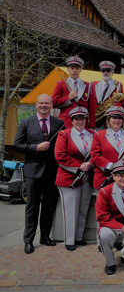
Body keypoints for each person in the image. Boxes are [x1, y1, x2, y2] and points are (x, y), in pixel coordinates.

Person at [13, 94, 65, 254]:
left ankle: (45, 237)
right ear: (36, 105)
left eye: (47, 103)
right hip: (33, 172)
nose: (44, 105)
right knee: (32, 207)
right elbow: (17, 145)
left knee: (48, 207)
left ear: (51, 105)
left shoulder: (59, 123)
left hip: (52, 172)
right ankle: (28, 241)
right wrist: (36, 147)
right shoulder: (26, 122)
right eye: (41, 103)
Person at [54, 107, 94, 251]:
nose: (80, 121)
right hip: (69, 177)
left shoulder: (93, 134)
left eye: (82, 118)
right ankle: (69, 240)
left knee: (83, 209)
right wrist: (79, 166)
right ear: (71, 120)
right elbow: (60, 155)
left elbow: (96, 153)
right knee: (71, 209)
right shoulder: (64, 134)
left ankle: (78, 237)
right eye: (76, 119)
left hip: (87, 177)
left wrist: (89, 164)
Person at [90, 106, 124, 189]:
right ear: (108, 119)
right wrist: (110, 166)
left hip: (123, 178)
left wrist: (122, 166)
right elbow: (94, 154)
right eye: (114, 118)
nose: (117, 120)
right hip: (104, 177)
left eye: (119, 118)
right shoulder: (99, 135)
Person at [52, 56, 90, 128]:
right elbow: (53, 102)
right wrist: (68, 97)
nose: (74, 70)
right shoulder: (61, 83)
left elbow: (90, 106)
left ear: (80, 69)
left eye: (77, 68)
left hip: (83, 122)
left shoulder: (88, 85)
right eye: (72, 68)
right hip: (66, 122)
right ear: (68, 69)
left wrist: (91, 125)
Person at [88, 60, 124, 130]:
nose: (105, 72)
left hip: (110, 119)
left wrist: (112, 107)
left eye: (108, 70)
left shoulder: (118, 85)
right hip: (95, 120)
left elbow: (121, 102)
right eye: (103, 70)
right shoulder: (93, 84)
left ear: (112, 72)